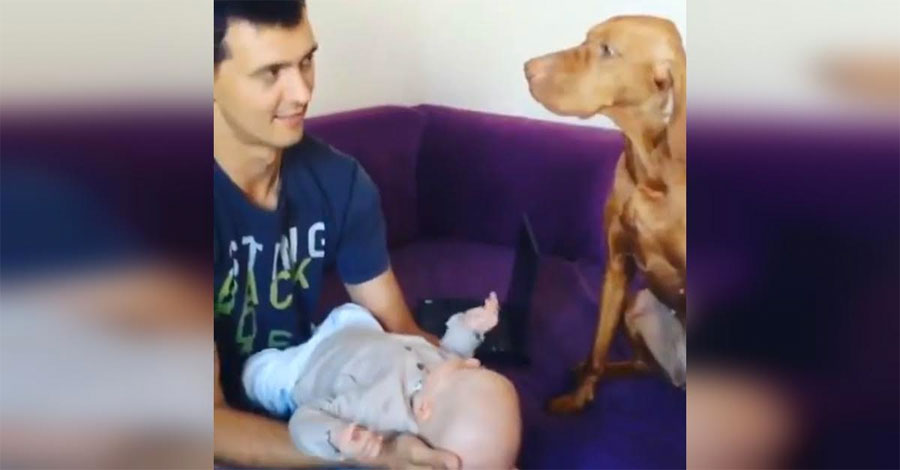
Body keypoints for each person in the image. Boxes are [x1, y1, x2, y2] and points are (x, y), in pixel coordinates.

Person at [212, 1, 453, 467]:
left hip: (314, 406)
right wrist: (372, 454)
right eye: (271, 73)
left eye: (306, 61)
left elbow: (398, 331)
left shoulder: (341, 182)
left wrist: (463, 385)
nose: (302, 92)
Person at [241, 293, 521, 468]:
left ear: (424, 408)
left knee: (256, 374)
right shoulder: (442, 378)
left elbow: (303, 420)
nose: (471, 362)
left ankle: (264, 378)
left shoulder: (375, 412)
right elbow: (451, 352)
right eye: (478, 368)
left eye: (467, 370)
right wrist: (469, 329)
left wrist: (336, 436)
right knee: (355, 312)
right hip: (360, 332)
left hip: (308, 365)